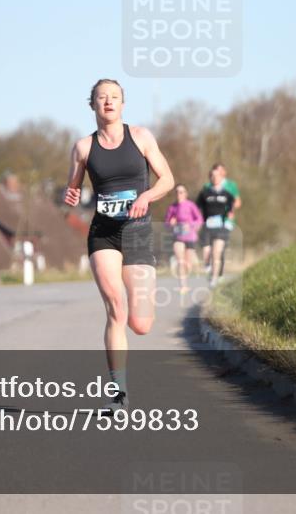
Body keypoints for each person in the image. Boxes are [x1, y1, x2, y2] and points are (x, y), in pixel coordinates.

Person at [64, 78, 174, 415]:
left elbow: (167, 180)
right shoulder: (83, 147)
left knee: (141, 324)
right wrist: (70, 194)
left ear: (123, 104)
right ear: (92, 105)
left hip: (138, 233)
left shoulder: (140, 137)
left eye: (114, 97)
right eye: (101, 97)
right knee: (116, 307)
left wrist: (147, 195)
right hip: (104, 234)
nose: (108, 102)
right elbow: (73, 188)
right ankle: (118, 394)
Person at [196, 165, 238, 289]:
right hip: (207, 226)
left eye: (217, 175)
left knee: (217, 253)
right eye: (213, 176)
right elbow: (197, 207)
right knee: (207, 252)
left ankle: (215, 279)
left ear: (221, 177)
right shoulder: (204, 193)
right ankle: (208, 265)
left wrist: (230, 213)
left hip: (221, 227)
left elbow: (232, 206)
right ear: (210, 177)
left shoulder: (227, 194)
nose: (215, 178)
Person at [165, 184, 203, 294]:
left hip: (190, 237)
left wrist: (190, 225)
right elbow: (167, 224)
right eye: (177, 192)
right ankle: (183, 286)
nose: (179, 194)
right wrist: (170, 223)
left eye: (181, 192)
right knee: (181, 261)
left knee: (188, 264)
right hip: (178, 237)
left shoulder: (191, 205)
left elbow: (199, 220)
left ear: (186, 194)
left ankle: (190, 265)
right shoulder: (172, 207)